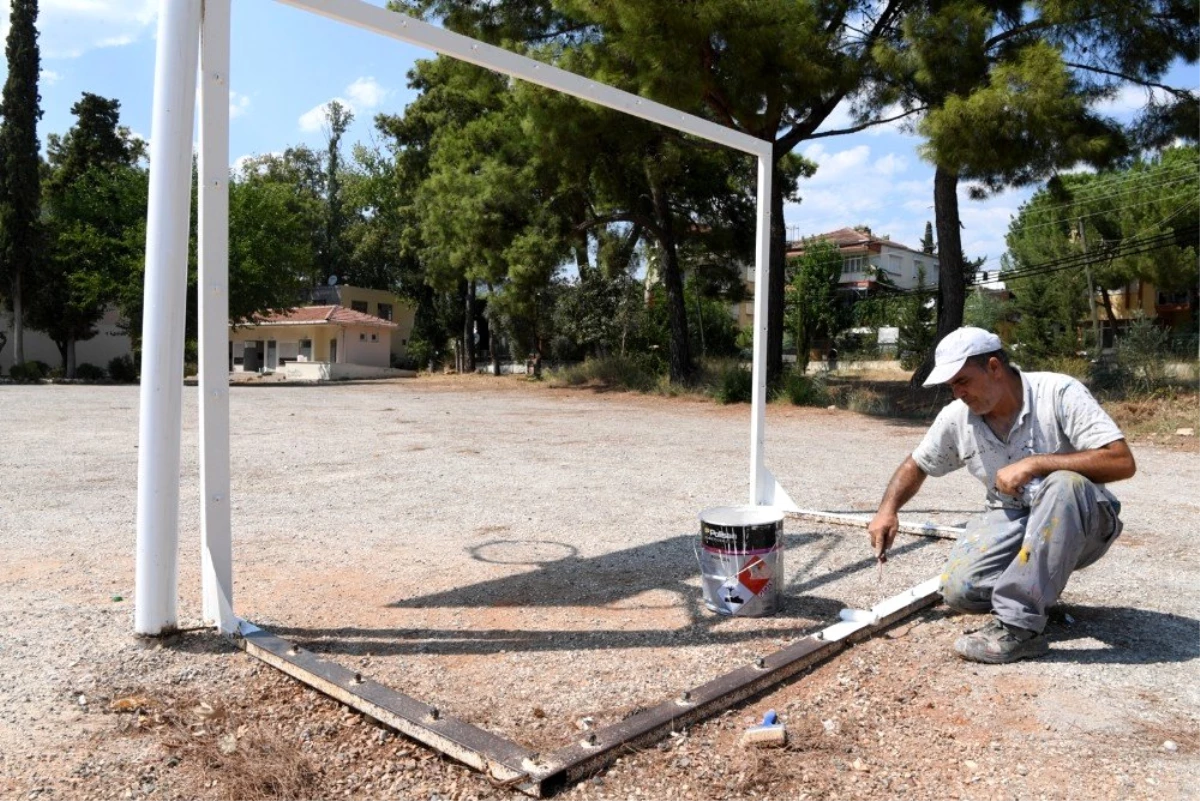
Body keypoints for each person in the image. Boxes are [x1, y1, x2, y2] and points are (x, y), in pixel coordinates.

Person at [868, 327, 1136, 664]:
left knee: (1064, 483)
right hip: (1014, 515)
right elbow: (917, 463)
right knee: (959, 590)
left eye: (962, 381)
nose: (957, 393)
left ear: (994, 367)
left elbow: (1122, 461)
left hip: (1083, 521)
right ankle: (1034, 594)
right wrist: (887, 510)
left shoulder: (1058, 392)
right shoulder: (958, 418)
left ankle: (1019, 629)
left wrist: (1036, 464)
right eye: (951, 385)